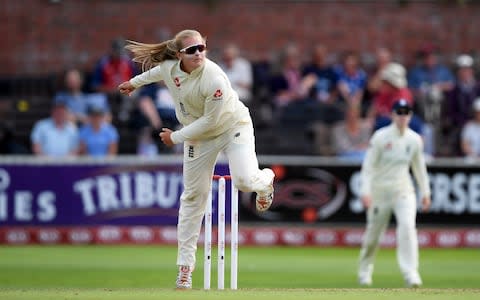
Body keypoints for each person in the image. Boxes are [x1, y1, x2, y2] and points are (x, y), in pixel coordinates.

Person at [117, 29, 275, 289]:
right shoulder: (171, 67)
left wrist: (176, 138)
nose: (199, 53)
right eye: (192, 50)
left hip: (231, 127)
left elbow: (210, 121)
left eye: (201, 48)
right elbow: (157, 72)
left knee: (245, 181)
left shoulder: (214, 78)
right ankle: (185, 269)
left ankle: (266, 180)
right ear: (179, 54)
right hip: (198, 137)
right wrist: (134, 83)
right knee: (193, 198)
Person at [358, 99, 431, 288]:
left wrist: (425, 192)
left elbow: (419, 168)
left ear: (410, 115)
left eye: (406, 113)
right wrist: (365, 191)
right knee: (373, 235)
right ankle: (365, 271)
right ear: (393, 114)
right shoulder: (381, 137)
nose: (402, 116)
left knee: (408, 228)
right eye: (399, 112)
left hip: (403, 190)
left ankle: (411, 273)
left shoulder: (414, 139)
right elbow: (368, 166)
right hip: (379, 192)